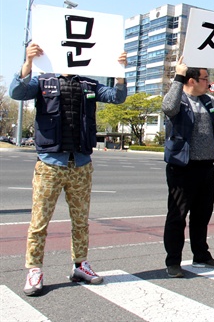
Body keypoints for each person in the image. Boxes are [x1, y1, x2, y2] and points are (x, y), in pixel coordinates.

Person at [9, 42, 127, 296]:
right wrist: (28, 63)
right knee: (39, 222)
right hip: (50, 164)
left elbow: (117, 97)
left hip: (81, 165)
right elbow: (16, 92)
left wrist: (120, 72)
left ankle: (80, 265)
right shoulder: (43, 81)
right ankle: (34, 269)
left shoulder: (89, 84)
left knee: (81, 221)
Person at [162, 57, 214, 278]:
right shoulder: (180, 99)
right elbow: (168, 106)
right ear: (191, 80)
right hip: (182, 167)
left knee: (202, 214)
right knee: (177, 215)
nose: (208, 82)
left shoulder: (207, 100)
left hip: (206, 167)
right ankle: (173, 261)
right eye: (205, 78)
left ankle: (201, 254)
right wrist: (178, 76)